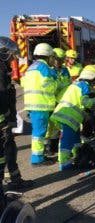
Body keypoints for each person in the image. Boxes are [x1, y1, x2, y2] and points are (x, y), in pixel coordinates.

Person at [50, 65, 95, 170]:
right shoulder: (85, 86)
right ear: (91, 77)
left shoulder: (77, 84)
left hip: (67, 116)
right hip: (68, 116)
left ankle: (78, 157)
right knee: (68, 139)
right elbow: (86, 103)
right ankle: (65, 164)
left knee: (76, 140)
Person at [0, 37, 33, 197]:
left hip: (5, 121)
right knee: (6, 152)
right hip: (2, 123)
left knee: (9, 150)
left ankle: (15, 179)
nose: (13, 60)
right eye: (11, 56)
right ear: (3, 54)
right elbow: (2, 101)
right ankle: (11, 183)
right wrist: (6, 122)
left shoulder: (3, 72)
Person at [22, 43, 58, 165]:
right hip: (41, 104)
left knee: (38, 132)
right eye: (52, 56)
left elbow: (23, 83)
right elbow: (48, 86)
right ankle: (37, 159)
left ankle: (39, 156)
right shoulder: (44, 68)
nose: (53, 59)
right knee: (39, 133)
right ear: (48, 55)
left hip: (32, 104)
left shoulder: (31, 67)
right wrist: (55, 82)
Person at [44, 48, 71, 157]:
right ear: (53, 59)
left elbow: (68, 84)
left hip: (62, 101)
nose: (59, 62)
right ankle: (46, 146)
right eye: (57, 59)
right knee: (48, 125)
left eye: (61, 59)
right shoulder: (49, 71)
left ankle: (54, 145)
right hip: (50, 101)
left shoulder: (65, 70)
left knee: (56, 124)